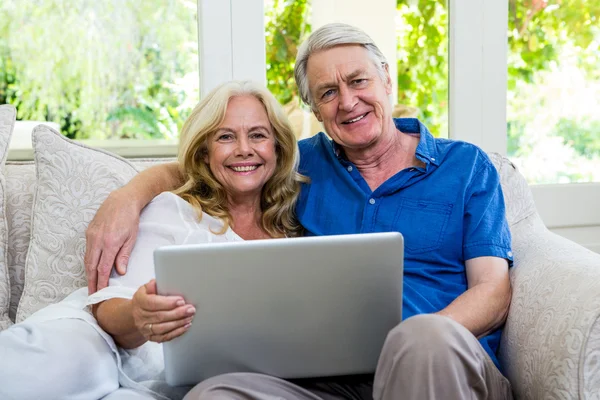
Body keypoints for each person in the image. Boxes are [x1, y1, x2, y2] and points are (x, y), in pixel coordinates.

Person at [86, 23, 514, 400]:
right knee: (215, 393)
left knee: (425, 338)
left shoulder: (466, 167)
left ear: (386, 78)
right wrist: (128, 196)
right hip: (333, 381)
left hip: (441, 366)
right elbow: (215, 162)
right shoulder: (300, 166)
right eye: (328, 93)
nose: (347, 102)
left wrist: (404, 344)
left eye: (358, 81)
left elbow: (493, 292)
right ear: (315, 110)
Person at [0, 80, 306, 400]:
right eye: (226, 136)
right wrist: (137, 313)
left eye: (257, 135)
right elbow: (106, 309)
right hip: (99, 347)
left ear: (278, 147)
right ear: (205, 152)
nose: (244, 148)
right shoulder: (175, 211)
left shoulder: (294, 230)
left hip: (167, 386)